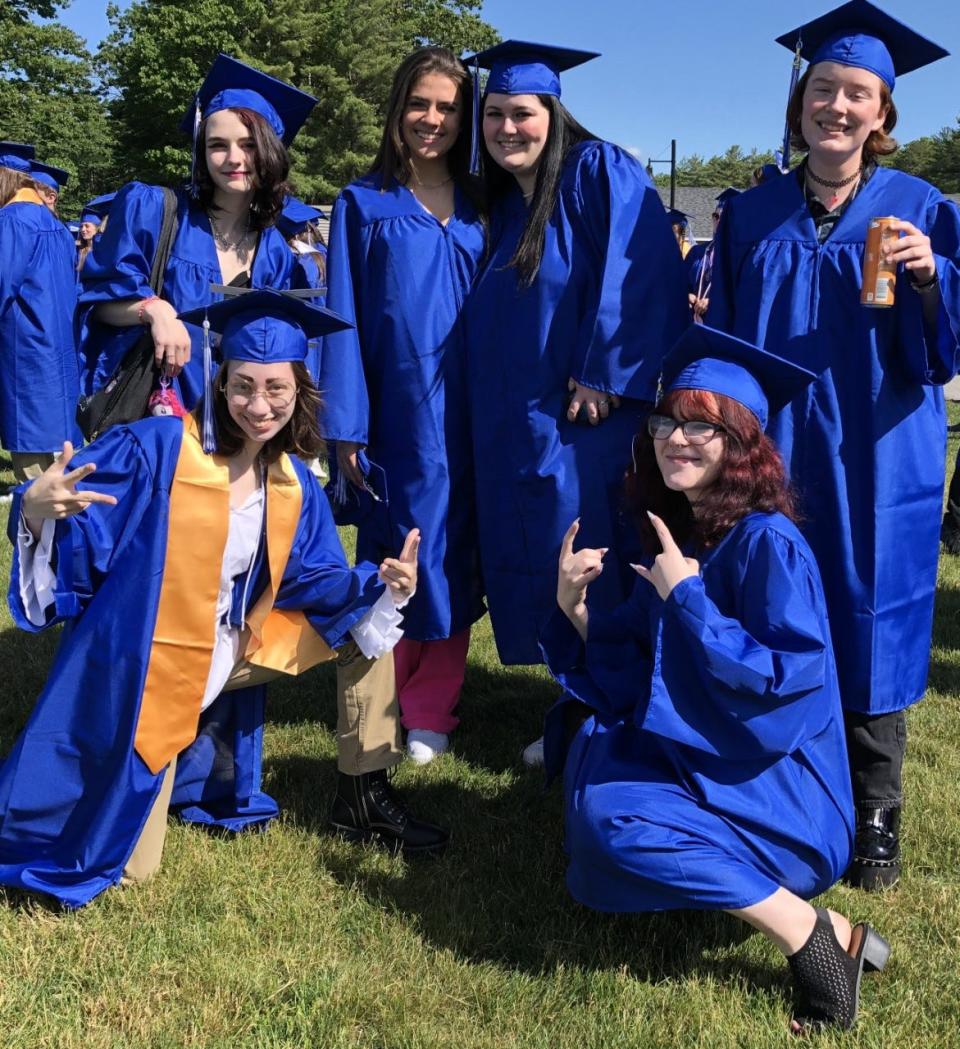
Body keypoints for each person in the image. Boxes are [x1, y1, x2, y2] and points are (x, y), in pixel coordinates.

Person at [0, 288, 448, 910]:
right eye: (243, 386)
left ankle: (363, 793)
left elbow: (315, 581)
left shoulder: (290, 481)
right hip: (149, 660)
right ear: (219, 381)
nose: (258, 406)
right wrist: (37, 511)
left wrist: (380, 584)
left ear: (299, 393)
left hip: (235, 645)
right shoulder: (157, 449)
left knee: (365, 633)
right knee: (133, 867)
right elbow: (80, 525)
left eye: (276, 389)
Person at [544, 324, 888, 1032]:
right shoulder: (693, 534)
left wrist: (688, 600)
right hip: (724, 768)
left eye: (702, 424)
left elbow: (780, 687)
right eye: (670, 418)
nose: (676, 435)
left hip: (788, 795)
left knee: (613, 819)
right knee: (589, 762)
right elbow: (639, 669)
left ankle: (810, 934)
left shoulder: (768, 543)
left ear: (741, 443)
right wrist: (574, 609)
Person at [707, 0, 960, 890]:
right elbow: (728, 344)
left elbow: (941, 353)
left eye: (858, 95)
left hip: (881, 451)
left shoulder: (921, 208)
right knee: (772, 607)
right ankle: (773, 793)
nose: (838, 108)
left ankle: (878, 810)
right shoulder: (751, 212)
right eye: (824, 90)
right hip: (772, 447)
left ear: (883, 115)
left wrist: (933, 284)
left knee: (874, 615)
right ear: (800, 102)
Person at [321, 46, 486, 765]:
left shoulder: (489, 203)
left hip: (477, 407)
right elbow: (345, 316)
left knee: (458, 549)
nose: (433, 119)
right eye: (420, 103)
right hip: (398, 408)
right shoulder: (363, 204)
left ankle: (433, 703)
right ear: (398, 109)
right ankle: (387, 691)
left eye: (449, 107)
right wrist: (346, 424)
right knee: (401, 544)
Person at [78, 53, 313, 408]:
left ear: (270, 151)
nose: (234, 158)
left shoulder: (275, 251)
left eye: (249, 144)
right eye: (218, 145)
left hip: (236, 424)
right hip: (157, 422)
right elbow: (98, 304)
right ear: (201, 153)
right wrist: (154, 310)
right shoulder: (155, 211)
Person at [0, 141, 81, 483]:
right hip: (58, 353)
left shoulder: (11, 221)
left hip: (26, 354)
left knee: (34, 479)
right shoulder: (58, 228)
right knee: (61, 460)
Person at [685, 187, 739, 322]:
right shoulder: (697, 252)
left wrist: (713, 301)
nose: (718, 221)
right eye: (716, 216)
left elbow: (744, 293)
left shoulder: (742, 257)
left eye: (724, 217)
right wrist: (686, 295)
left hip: (724, 324)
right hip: (693, 322)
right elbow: (679, 283)